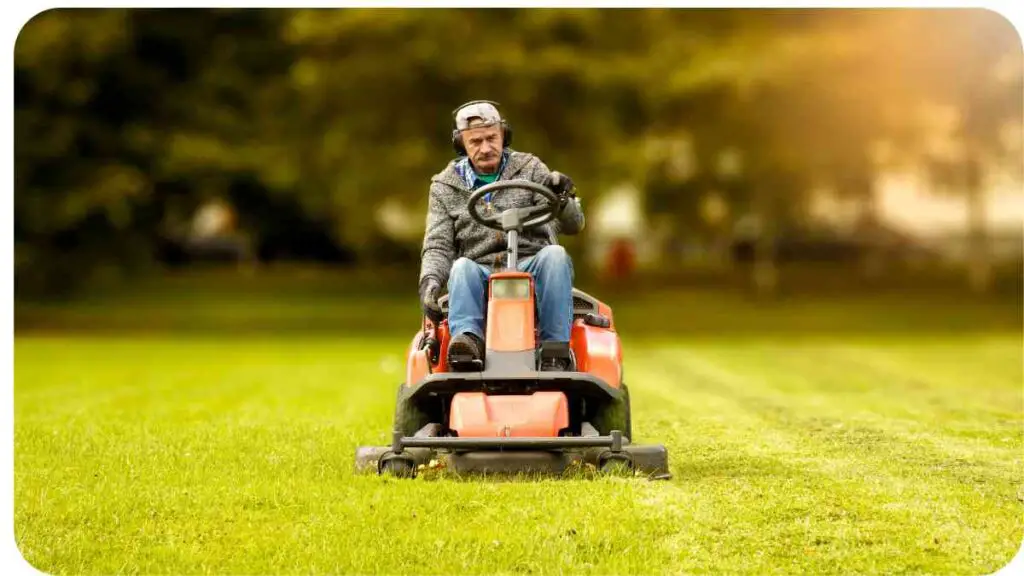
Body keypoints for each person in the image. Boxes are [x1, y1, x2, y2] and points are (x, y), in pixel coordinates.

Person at [418, 100, 585, 370]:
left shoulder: (530, 168)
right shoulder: (444, 186)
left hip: (532, 264)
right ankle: (467, 344)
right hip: (479, 269)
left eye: (491, 138)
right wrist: (430, 281)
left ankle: (555, 351)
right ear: (462, 144)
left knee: (555, 255)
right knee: (461, 267)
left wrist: (565, 198)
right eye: (475, 142)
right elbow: (437, 245)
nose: (485, 148)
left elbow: (574, 225)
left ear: (503, 136)